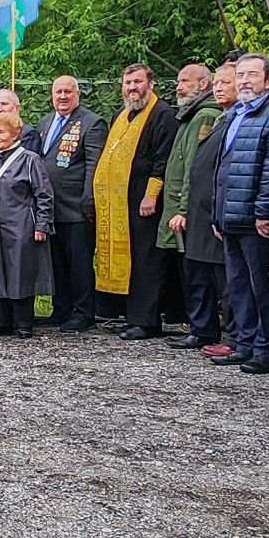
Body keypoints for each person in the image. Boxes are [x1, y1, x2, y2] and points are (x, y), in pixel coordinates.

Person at [208, 54, 269, 375]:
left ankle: (267, 348)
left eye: (252, 74)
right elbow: (222, 168)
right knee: (239, 286)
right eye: (241, 74)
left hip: (257, 220)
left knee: (264, 287)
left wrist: (264, 212)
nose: (245, 80)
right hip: (230, 216)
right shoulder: (235, 115)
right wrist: (217, 214)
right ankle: (244, 343)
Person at [92, 63, 178, 338]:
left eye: (137, 82)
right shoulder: (122, 114)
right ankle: (129, 314)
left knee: (146, 260)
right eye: (127, 83)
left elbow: (162, 159)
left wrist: (151, 194)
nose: (132, 88)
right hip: (118, 203)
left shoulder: (162, 114)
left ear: (150, 84)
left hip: (145, 199)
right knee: (128, 258)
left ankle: (146, 320)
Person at [159, 63, 225, 350]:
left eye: (185, 81)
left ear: (203, 85)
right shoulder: (190, 115)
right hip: (186, 209)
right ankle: (200, 327)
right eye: (178, 80)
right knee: (192, 271)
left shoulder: (206, 116)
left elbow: (193, 169)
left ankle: (203, 329)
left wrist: (182, 209)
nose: (178, 86)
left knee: (199, 273)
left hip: (193, 211)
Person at [33, 75, 107, 331]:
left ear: (77, 94)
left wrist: (89, 200)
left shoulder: (91, 123)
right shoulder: (44, 123)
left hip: (76, 206)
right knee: (57, 263)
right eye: (58, 92)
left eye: (68, 91)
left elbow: (93, 164)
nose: (62, 96)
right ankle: (61, 309)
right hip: (49, 207)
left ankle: (83, 312)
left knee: (79, 264)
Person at [0, 113, 53, 338]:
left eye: (1, 132)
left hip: (21, 225)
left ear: (15, 134)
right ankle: (1, 321)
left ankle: (23, 323)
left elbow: (44, 194)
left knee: (21, 272)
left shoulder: (30, 160)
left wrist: (42, 224)